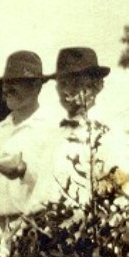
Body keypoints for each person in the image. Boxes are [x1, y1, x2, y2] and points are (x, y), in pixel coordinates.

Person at [28, 47, 129, 209]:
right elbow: (38, 197)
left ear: (98, 86)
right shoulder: (56, 137)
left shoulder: (109, 135)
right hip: (46, 229)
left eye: (76, 83)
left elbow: (123, 196)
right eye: (62, 83)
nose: (66, 91)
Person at [0, 51, 54, 227]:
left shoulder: (51, 128)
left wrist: (23, 171)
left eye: (15, 82)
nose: (6, 89)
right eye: (5, 82)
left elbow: (54, 185)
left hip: (31, 225)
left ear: (36, 85)